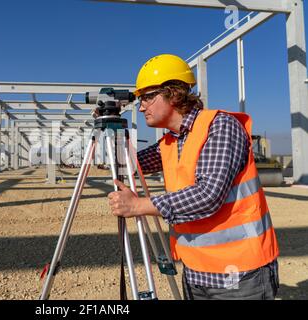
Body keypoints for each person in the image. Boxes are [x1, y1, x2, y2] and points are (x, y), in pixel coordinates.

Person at [108, 54, 280, 300]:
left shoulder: (219, 126)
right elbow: (123, 162)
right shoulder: (169, 142)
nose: (142, 106)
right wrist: (107, 126)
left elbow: (208, 195)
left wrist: (139, 205)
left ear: (174, 93)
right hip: (196, 271)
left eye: (147, 96)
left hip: (240, 272)